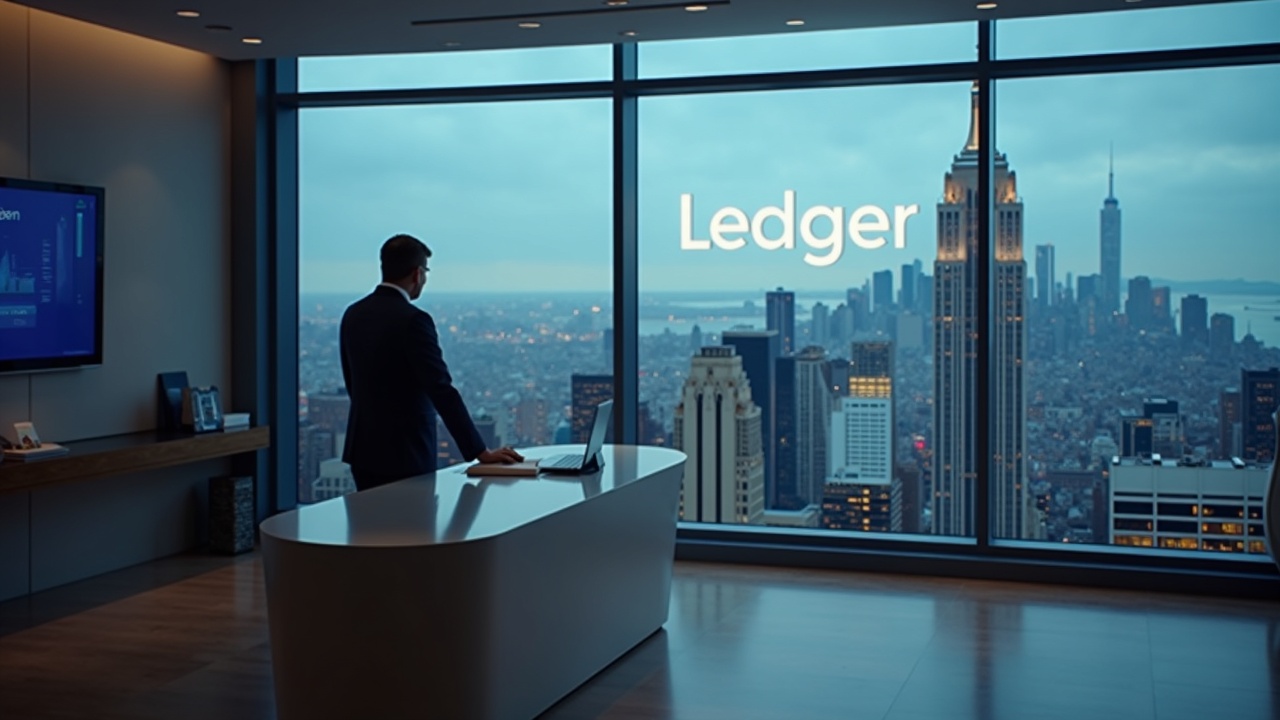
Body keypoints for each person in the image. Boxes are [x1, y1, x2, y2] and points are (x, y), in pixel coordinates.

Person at [340, 234, 523, 491]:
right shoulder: (413, 320)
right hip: (406, 453)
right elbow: (440, 388)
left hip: (363, 450)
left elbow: (353, 382)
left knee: (367, 528)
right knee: (412, 529)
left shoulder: (353, 314)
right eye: (425, 272)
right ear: (417, 274)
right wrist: (479, 451)